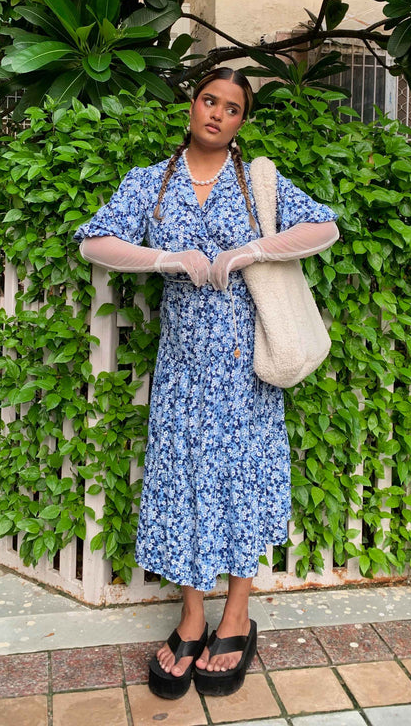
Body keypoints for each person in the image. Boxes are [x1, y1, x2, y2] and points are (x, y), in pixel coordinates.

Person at [74, 67, 339, 698]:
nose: (218, 114)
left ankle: (237, 616)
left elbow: (324, 227)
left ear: (244, 121)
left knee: (243, 479)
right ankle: (192, 618)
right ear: (192, 105)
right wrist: (170, 258)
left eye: (233, 108)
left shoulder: (256, 181)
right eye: (209, 100)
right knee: (187, 482)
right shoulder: (151, 185)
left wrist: (252, 251)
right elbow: (94, 242)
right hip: (183, 370)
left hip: (249, 365)